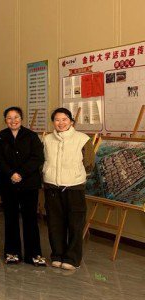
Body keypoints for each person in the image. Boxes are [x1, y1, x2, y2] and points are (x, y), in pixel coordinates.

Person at [42, 108, 94, 271]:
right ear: (53, 122)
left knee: (75, 224)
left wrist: (75, 175)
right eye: (57, 120)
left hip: (74, 187)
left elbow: (89, 163)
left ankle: (72, 258)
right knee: (55, 223)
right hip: (52, 186)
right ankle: (57, 255)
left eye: (64, 119)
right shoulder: (47, 139)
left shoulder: (83, 139)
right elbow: (43, 160)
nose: (61, 123)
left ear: (71, 121)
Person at [0, 107, 45, 266]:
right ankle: (12, 252)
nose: (13, 120)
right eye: (9, 118)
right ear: (5, 120)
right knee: (11, 218)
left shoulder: (31, 136)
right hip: (7, 183)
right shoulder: (0, 137)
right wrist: (11, 174)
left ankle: (34, 254)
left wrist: (21, 173)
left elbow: (37, 158)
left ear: (21, 119)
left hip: (29, 183)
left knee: (30, 218)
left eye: (16, 117)